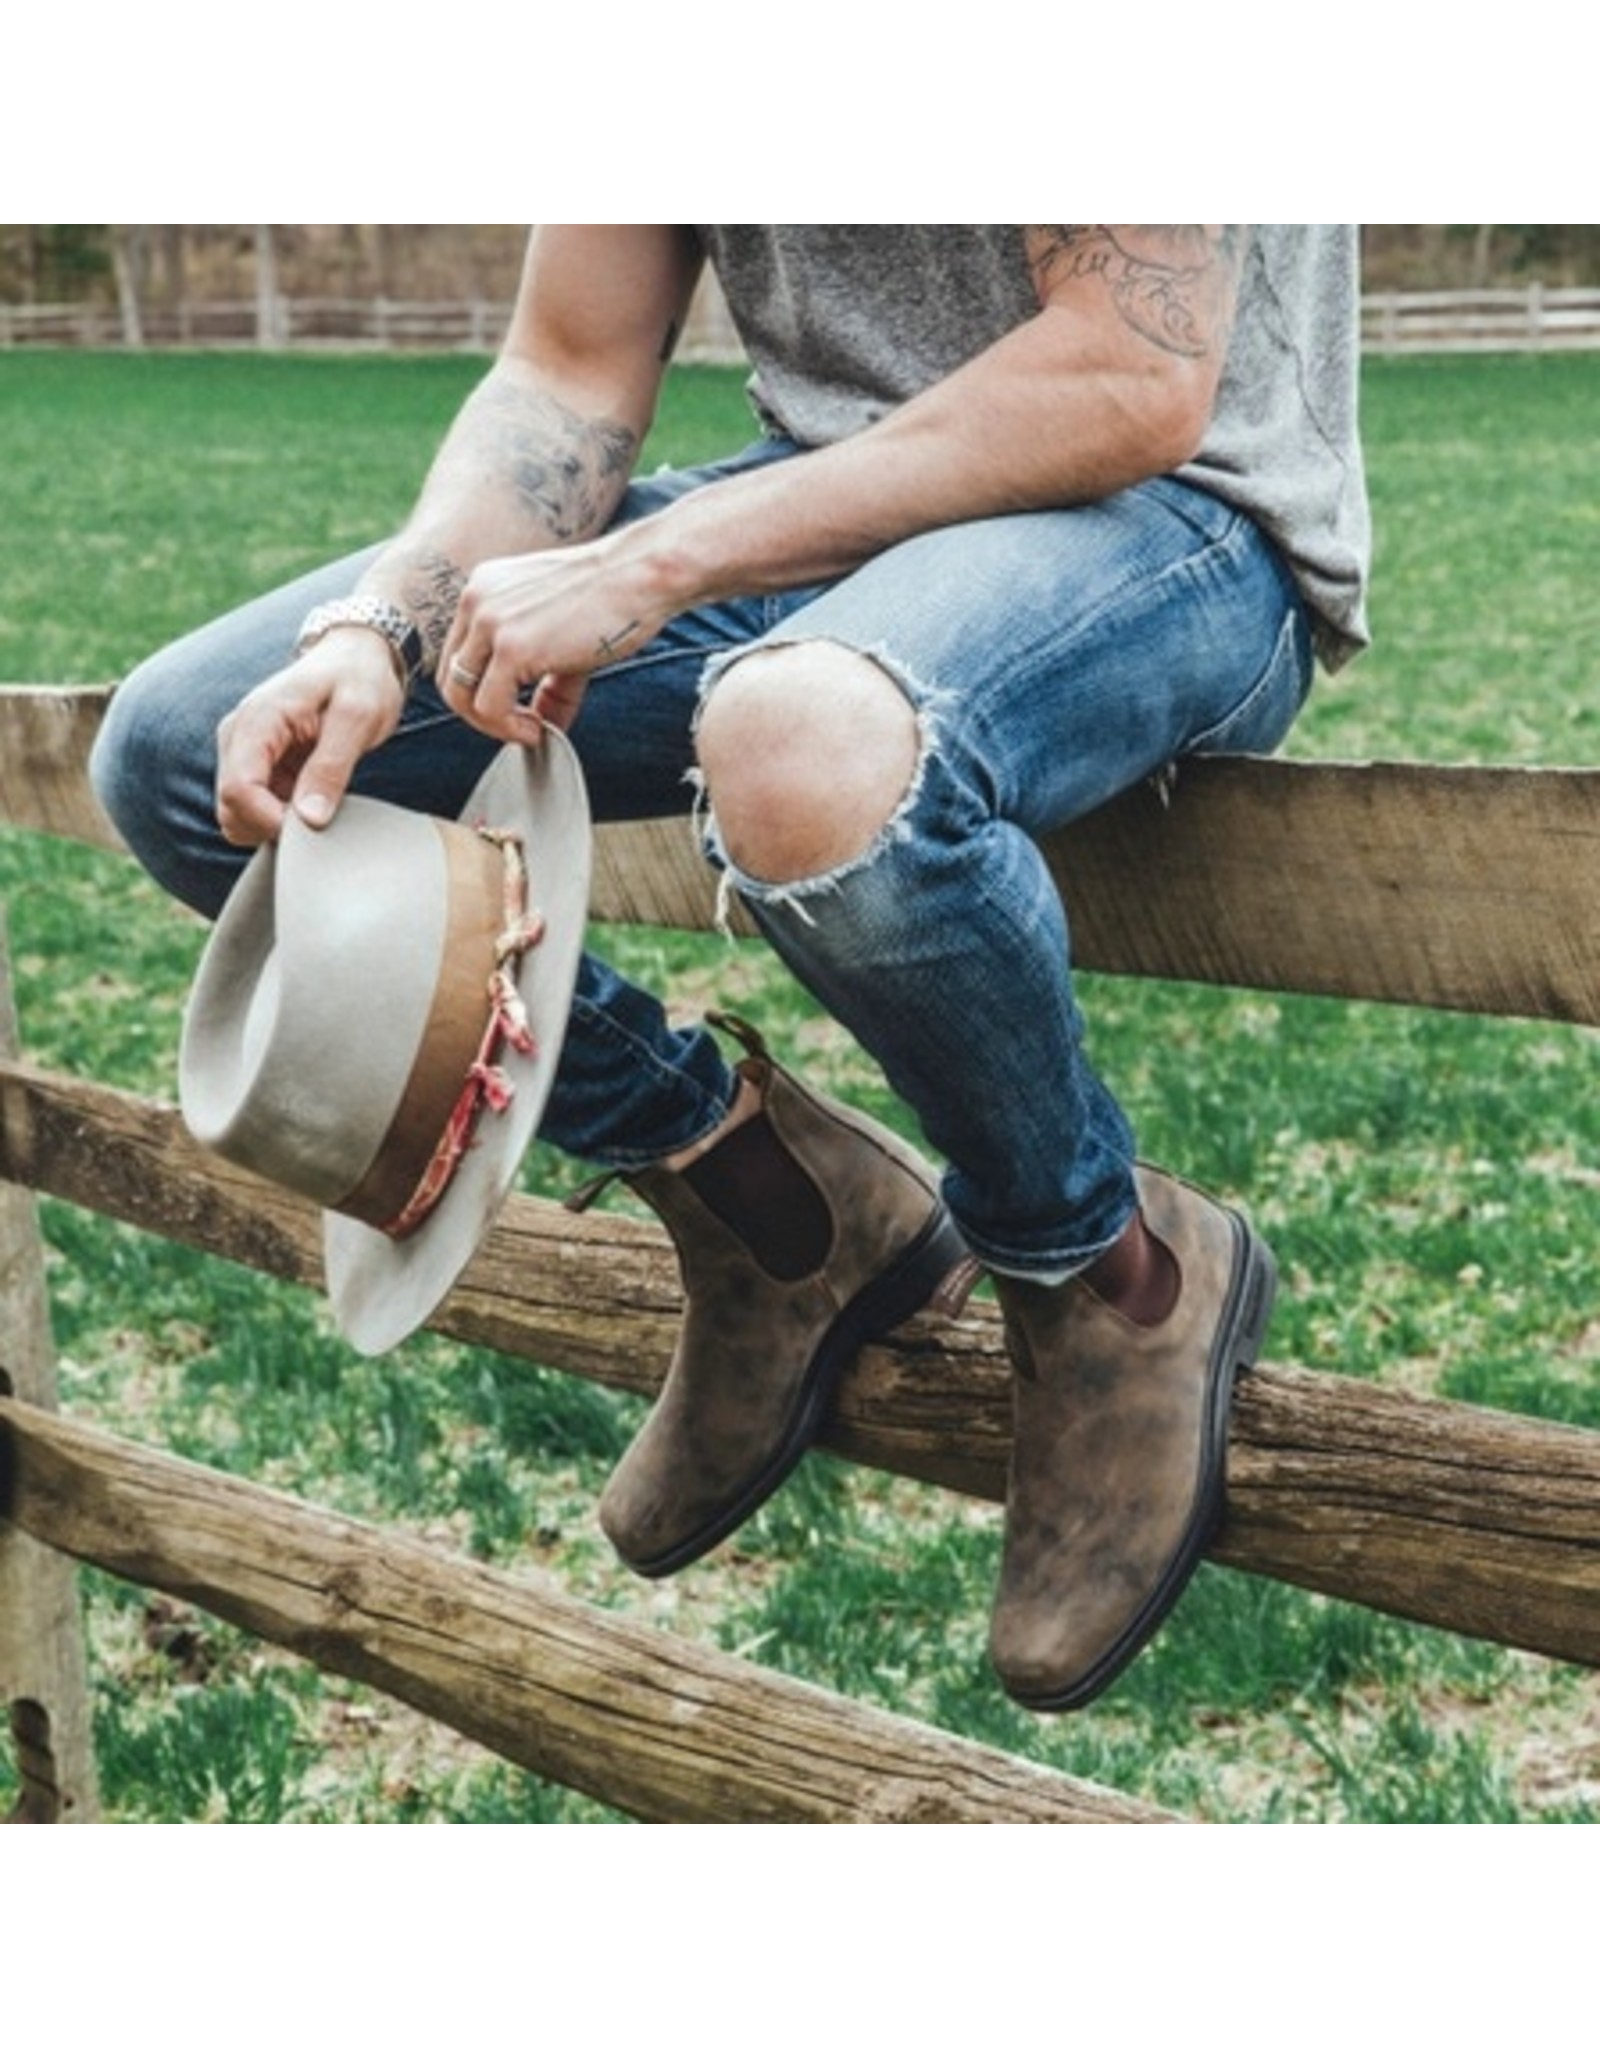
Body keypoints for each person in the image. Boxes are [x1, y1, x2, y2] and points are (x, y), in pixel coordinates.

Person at [92, 226, 1369, 1712]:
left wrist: (653, 561)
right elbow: (570, 366)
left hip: (1172, 516)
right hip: (821, 506)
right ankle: (762, 1196)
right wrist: (386, 628)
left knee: (801, 743)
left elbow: (1128, 372)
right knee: (192, 755)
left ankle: (1107, 1271)